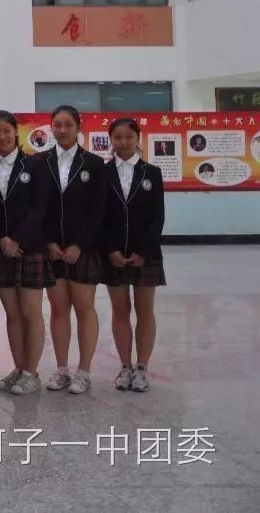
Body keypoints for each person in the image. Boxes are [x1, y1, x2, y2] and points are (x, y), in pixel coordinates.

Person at [40, 104, 107, 395]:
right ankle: (62, 369)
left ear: (78, 127)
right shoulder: (39, 162)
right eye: (57, 124)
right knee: (58, 310)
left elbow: (99, 211)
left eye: (68, 124)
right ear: (51, 127)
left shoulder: (93, 164)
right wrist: (48, 242)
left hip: (84, 250)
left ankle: (84, 371)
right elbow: (36, 208)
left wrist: (80, 245)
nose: (62, 130)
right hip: (52, 250)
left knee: (84, 308)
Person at [0, 111, 51, 395]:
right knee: (12, 313)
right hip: (1, 249)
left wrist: (17, 239)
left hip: (30, 247)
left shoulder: (35, 165)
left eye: (6, 131)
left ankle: (32, 372)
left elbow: (40, 207)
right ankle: (18, 367)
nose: (1, 137)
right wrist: (1, 238)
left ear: (16, 131)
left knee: (31, 312)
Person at [102, 118, 165, 393]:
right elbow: (99, 216)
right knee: (120, 311)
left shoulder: (152, 172)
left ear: (138, 137)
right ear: (111, 140)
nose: (123, 143)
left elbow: (157, 217)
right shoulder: (102, 173)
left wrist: (143, 251)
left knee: (145, 311)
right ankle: (125, 366)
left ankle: (142, 368)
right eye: (118, 138)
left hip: (146, 254)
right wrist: (110, 250)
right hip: (113, 253)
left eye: (129, 137)